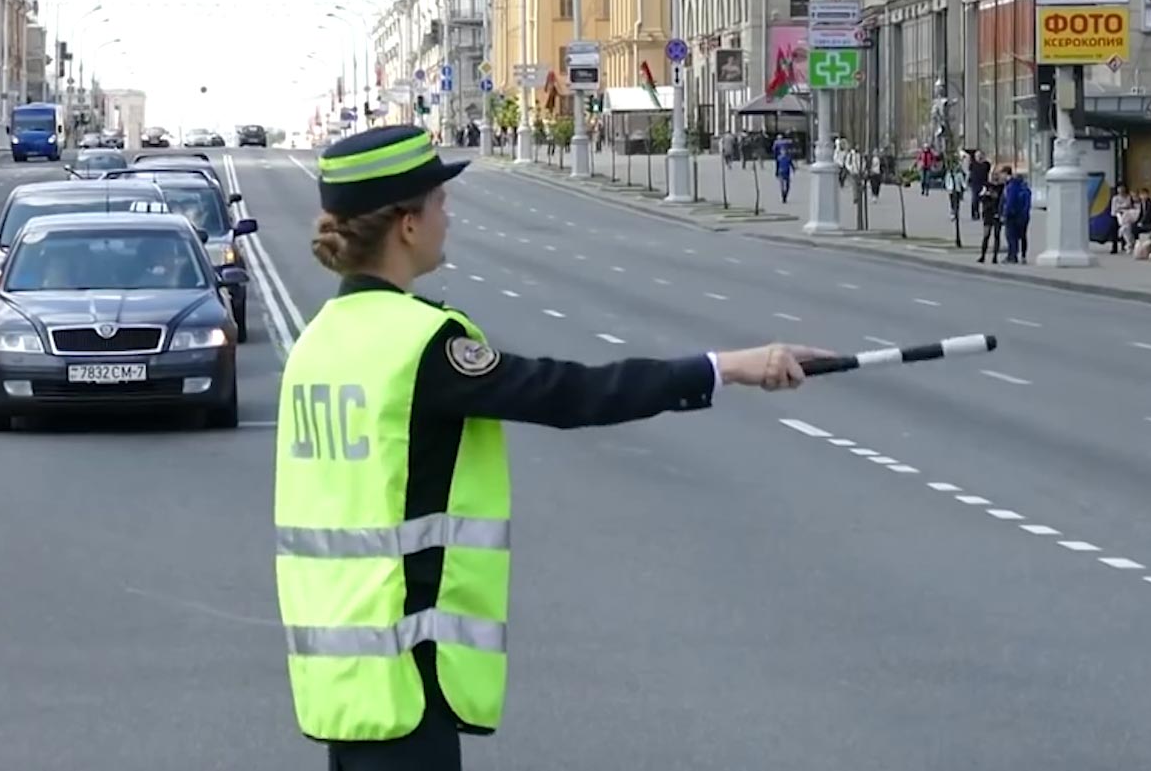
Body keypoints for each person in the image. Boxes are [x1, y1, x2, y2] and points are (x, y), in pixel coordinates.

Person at [276, 125, 832, 771]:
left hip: (342, 674)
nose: (448, 215)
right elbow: (570, 393)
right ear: (406, 224)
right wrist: (727, 365)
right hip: (407, 679)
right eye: (439, 202)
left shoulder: (317, 342)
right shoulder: (420, 343)